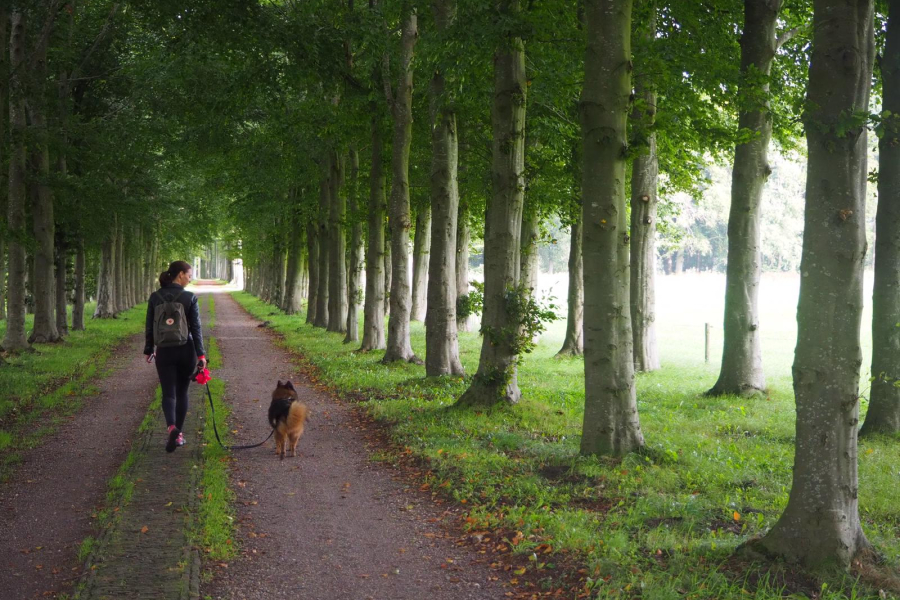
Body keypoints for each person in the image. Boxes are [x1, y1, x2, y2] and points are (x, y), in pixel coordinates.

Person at [144, 261, 207, 452]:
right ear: (180, 274)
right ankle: (179, 435)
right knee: (182, 392)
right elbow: (196, 328)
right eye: (189, 275)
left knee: (168, 393)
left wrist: (149, 349)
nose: (190, 278)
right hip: (185, 349)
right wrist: (201, 354)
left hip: (164, 350)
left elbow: (149, 325)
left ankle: (171, 427)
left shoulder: (155, 297)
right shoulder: (189, 297)